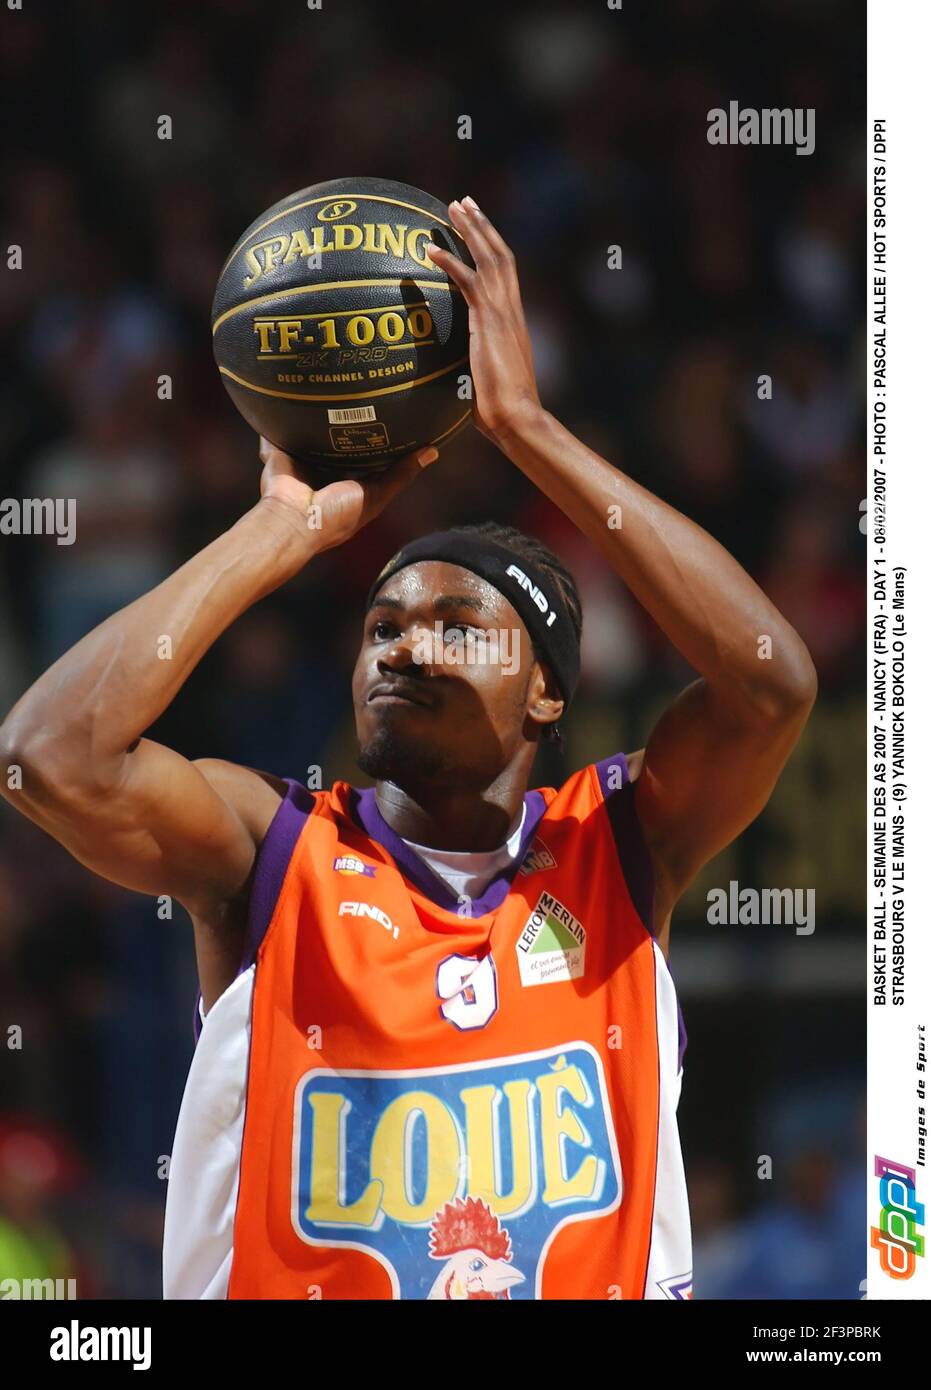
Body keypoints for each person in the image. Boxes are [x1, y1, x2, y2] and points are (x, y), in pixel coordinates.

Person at [0, 196, 816, 1300]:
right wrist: (275, 533)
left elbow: (769, 680)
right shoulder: (271, 852)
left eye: (454, 626)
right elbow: (45, 759)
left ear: (544, 696)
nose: (404, 648)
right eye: (381, 626)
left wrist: (529, 430)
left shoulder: (619, 846)